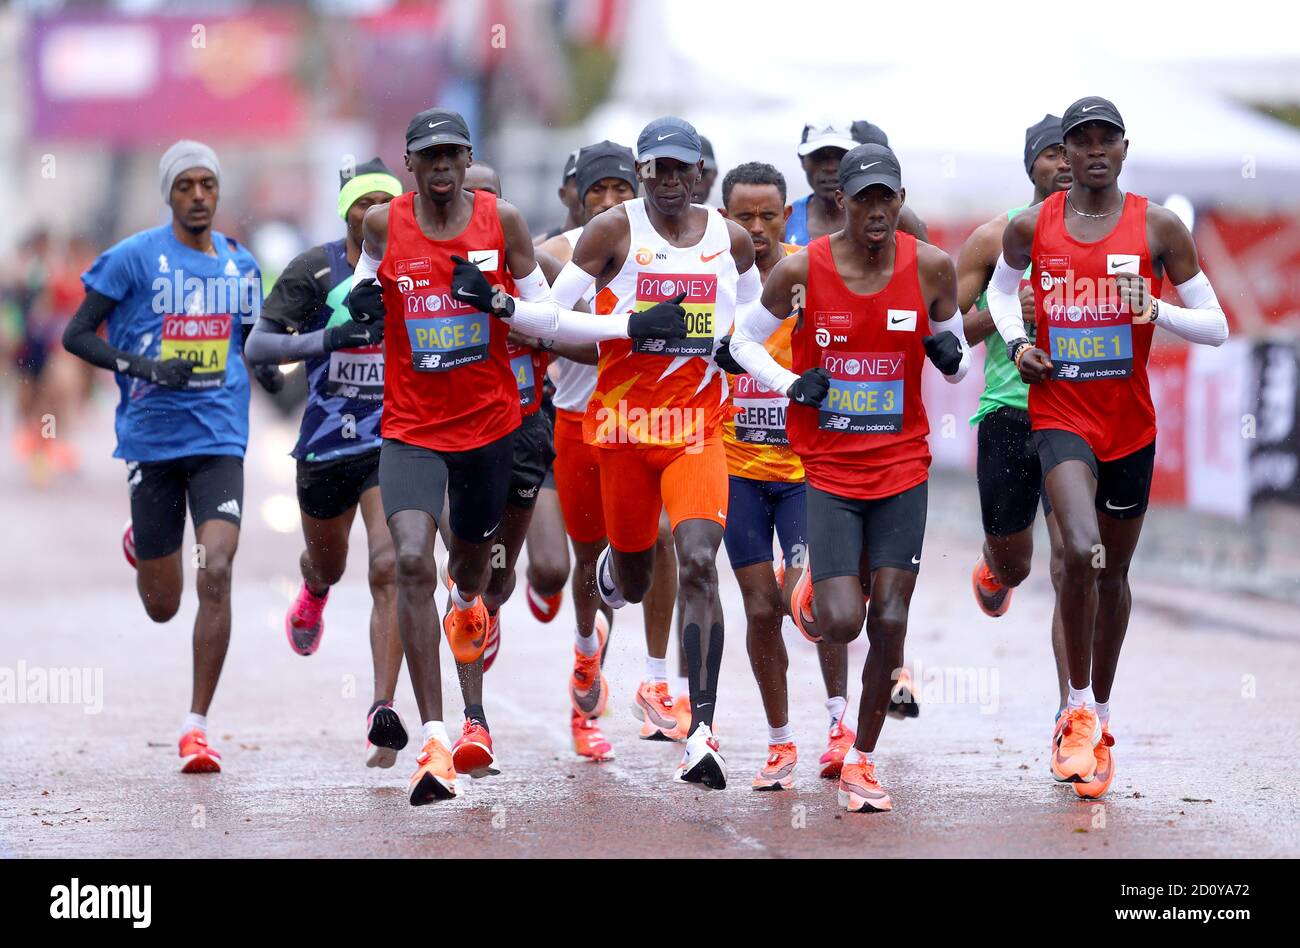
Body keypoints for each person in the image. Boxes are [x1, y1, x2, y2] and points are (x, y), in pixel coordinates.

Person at [350, 108, 686, 804]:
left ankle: (470, 603)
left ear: (468, 157)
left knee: (471, 575)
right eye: (428, 157)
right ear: (410, 165)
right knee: (411, 559)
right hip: (411, 426)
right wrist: (354, 308)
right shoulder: (387, 225)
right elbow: (358, 284)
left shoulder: (501, 225)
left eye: (452, 155)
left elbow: (547, 317)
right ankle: (438, 738)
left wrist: (505, 304)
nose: (441, 167)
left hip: (490, 428)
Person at [986, 97, 1228, 800]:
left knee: (1114, 572)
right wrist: (1021, 343)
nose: (1094, 150)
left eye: (1106, 139)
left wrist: (1159, 312)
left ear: (1124, 149)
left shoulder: (1158, 226)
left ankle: (1103, 714)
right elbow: (1003, 297)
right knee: (1079, 548)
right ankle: (1078, 710)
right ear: (1065, 151)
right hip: (1060, 414)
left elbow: (1216, 326)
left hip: (1130, 426)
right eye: (1081, 140)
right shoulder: (1033, 226)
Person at [731, 143, 972, 812]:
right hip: (831, 471)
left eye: (885, 198)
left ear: (899, 203)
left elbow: (954, 366)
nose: (874, 209)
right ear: (843, 202)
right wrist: (791, 382)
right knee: (840, 621)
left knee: (890, 615)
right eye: (862, 198)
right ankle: (817, 586)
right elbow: (741, 342)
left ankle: (862, 758)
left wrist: (949, 359)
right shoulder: (802, 270)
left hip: (901, 466)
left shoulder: (930, 268)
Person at [545, 117, 757, 789]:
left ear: (701, 175)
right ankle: (615, 570)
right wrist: (629, 326)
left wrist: (758, 364)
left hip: (698, 429)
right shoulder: (613, 231)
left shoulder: (733, 240)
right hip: (624, 429)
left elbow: (751, 320)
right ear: (645, 173)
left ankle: (703, 732)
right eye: (656, 168)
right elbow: (549, 318)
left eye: (681, 169)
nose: (669, 180)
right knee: (635, 582)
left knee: (697, 560)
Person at [62, 140, 264, 774]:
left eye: (207, 183)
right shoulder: (133, 258)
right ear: (169, 194)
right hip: (151, 440)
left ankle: (197, 725)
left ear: (218, 191)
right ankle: (142, 543)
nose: (199, 195)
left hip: (220, 439)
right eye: (186, 186)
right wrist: (144, 366)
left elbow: (254, 346)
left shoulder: (242, 267)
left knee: (219, 568)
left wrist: (293, 375)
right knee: (162, 604)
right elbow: (76, 335)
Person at [244, 157, 408, 768]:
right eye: (364, 204)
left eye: (387, 204)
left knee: (389, 564)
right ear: (347, 211)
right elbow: (259, 344)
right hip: (323, 445)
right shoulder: (314, 269)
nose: (376, 216)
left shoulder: (415, 268)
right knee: (331, 564)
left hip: (391, 438)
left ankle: (382, 709)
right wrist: (325, 340)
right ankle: (312, 591)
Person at [538, 141, 688, 756]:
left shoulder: (667, 252)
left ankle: (657, 682)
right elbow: (539, 324)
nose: (609, 201)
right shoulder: (553, 257)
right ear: (573, 195)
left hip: (645, 423)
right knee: (592, 561)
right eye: (596, 190)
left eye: (621, 189)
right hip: (575, 423)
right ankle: (584, 657)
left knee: (657, 539)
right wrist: (621, 332)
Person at [713, 162, 854, 788]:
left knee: (813, 599)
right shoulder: (709, 275)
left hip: (803, 469)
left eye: (769, 215)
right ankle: (779, 742)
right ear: (724, 219)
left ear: (787, 216)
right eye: (744, 217)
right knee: (760, 607)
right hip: (736, 468)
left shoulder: (809, 272)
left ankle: (839, 723)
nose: (758, 228)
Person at [955, 116, 1072, 715]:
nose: (1068, 163)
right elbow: (945, 335)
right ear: (1032, 166)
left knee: (1072, 561)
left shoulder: (1106, 238)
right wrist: (1007, 310)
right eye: (1054, 154)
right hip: (1007, 411)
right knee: (1018, 563)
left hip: (1074, 415)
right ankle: (993, 569)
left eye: (1074, 151)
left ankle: (1070, 711)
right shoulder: (993, 238)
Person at [784, 121, 928, 245]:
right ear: (803, 161)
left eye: (841, 156)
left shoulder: (900, 218)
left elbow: (932, 269)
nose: (829, 167)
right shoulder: (784, 220)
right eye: (819, 157)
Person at [692, 136, 718, 206]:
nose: (696, 181)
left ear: (714, 176)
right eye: (685, 171)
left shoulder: (718, 216)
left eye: (703, 172)